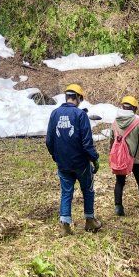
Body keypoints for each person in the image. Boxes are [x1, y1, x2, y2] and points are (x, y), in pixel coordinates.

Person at [45, 84, 102, 235]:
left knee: (66, 192)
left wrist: (55, 156)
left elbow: (49, 140)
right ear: (78, 98)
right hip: (81, 163)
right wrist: (94, 159)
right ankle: (90, 221)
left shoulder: (55, 114)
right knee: (88, 190)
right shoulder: (80, 115)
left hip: (62, 163)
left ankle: (65, 225)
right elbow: (87, 142)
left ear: (66, 97)